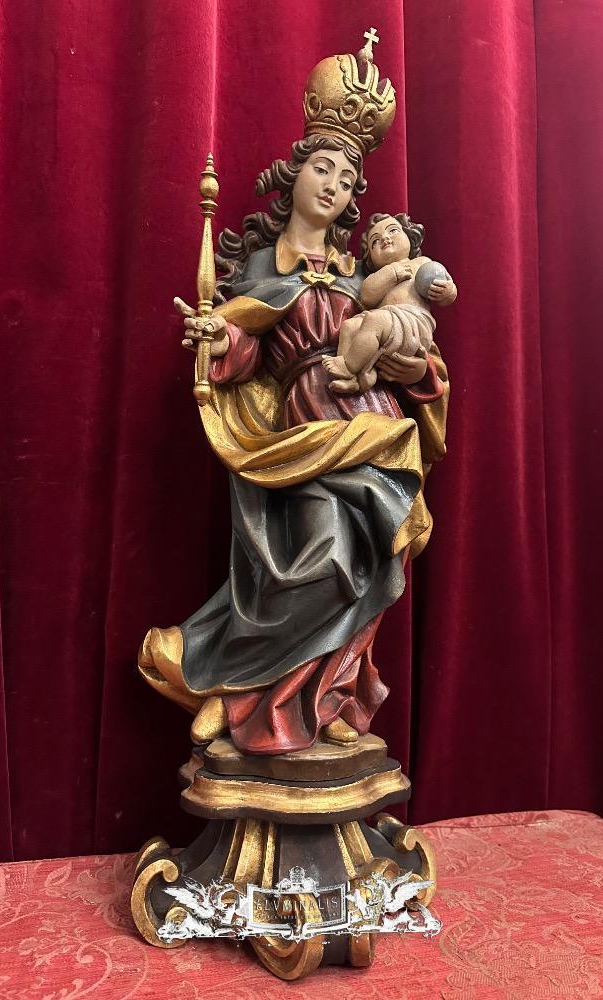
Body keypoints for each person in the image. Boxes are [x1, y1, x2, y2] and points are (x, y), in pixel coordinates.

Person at [138, 38, 451, 756]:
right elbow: (250, 345)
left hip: (370, 421)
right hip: (303, 429)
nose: (334, 185)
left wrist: (412, 362)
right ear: (296, 172)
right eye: (323, 168)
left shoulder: (362, 276)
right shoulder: (261, 266)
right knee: (321, 555)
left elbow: (415, 351)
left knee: (372, 558)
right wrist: (218, 338)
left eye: (348, 178)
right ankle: (235, 688)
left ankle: (327, 698)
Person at [322, 213, 457, 393]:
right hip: (388, 322)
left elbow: (445, 285)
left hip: (413, 322)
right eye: (375, 241)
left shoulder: (421, 263)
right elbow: (367, 295)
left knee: (375, 320)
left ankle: (348, 367)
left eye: (392, 231)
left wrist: (448, 291)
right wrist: (393, 273)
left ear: (409, 237)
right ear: (370, 258)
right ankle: (354, 379)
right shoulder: (381, 274)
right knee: (349, 327)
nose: (385, 239)